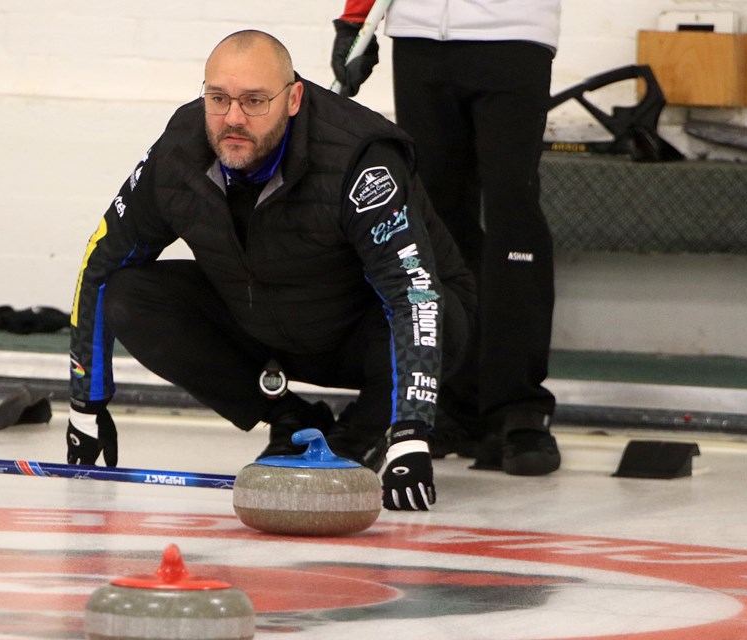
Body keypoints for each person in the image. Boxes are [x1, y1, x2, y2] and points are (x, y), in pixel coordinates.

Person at [65, 30, 476, 511]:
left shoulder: (360, 160)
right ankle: (291, 419)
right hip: (266, 322)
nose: (233, 118)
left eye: (255, 101)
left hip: (369, 335)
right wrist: (85, 407)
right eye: (218, 98)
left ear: (294, 97)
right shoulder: (178, 151)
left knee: (438, 309)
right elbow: (101, 262)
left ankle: (364, 431)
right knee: (129, 295)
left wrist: (410, 432)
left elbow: (415, 298)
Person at [331, 0, 561, 475]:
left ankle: (519, 407)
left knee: (512, 216)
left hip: (513, 33)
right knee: (435, 219)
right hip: (420, 38)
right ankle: (453, 399)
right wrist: (355, 20)